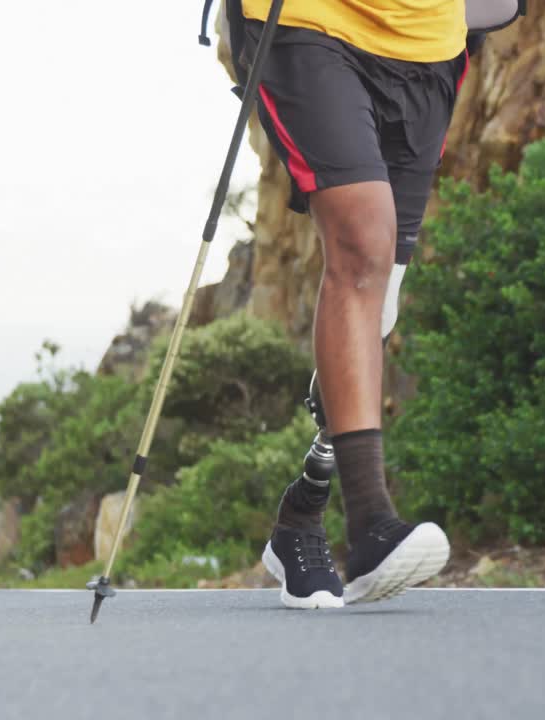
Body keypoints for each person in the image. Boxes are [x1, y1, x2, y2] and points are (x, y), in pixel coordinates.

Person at [232, 0, 471, 608]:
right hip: (308, 21)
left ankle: (301, 515)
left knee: (379, 304)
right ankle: (371, 523)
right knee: (362, 248)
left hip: (427, 38)